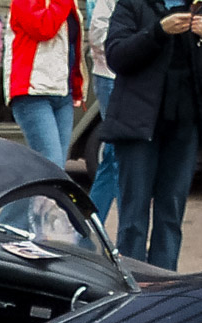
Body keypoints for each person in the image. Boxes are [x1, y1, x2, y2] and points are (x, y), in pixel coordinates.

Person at [103, 0, 202, 269]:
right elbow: (116, 56)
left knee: (171, 215)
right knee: (133, 218)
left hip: (185, 126)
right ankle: (132, 286)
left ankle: (165, 285)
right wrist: (157, 31)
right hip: (139, 125)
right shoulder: (134, 4)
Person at [4, 0, 82, 166]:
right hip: (32, 91)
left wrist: (76, 85)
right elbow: (43, 28)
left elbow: (72, 47)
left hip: (62, 91)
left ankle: (32, 192)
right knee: (50, 164)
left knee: (56, 168)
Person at [86, 0, 118, 221]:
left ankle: (90, 226)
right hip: (111, 75)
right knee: (119, 154)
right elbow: (97, 33)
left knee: (113, 155)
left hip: (122, 77)